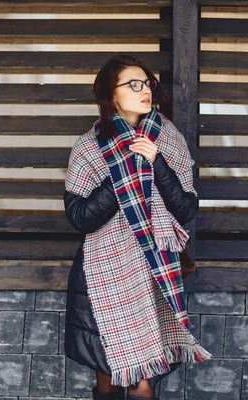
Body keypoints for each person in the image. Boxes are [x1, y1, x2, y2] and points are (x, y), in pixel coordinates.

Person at [63, 54, 211, 400]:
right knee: (110, 377)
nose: (144, 90)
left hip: (153, 271)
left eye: (147, 83)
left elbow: (187, 208)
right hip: (103, 276)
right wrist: (125, 173)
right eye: (133, 84)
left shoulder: (167, 138)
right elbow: (79, 217)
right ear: (110, 95)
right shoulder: (88, 146)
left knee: (142, 382)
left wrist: (155, 163)